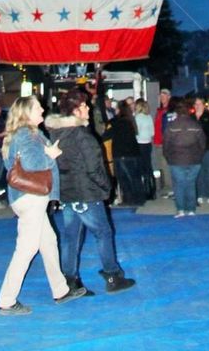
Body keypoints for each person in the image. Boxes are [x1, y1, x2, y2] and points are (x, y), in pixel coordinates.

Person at [46, 87, 135, 294]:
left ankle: (69, 279)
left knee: (70, 236)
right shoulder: (82, 136)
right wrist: (107, 188)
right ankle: (112, 275)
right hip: (87, 192)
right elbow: (95, 168)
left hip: (69, 192)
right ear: (76, 111)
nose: (88, 109)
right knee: (103, 232)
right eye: (85, 106)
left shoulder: (57, 134)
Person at [0, 96, 80, 314]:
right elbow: (32, 165)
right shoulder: (27, 134)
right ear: (26, 113)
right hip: (31, 198)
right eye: (37, 107)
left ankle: (60, 290)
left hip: (27, 198)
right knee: (27, 248)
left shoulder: (22, 133)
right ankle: (6, 300)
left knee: (49, 241)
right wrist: (51, 156)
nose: (43, 109)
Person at [162, 97, 205, 217]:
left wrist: (168, 158)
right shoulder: (195, 124)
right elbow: (202, 143)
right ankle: (191, 209)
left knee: (179, 185)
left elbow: (166, 145)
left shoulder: (171, 125)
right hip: (194, 159)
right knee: (190, 184)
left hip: (176, 160)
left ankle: (180, 209)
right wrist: (199, 156)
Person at [105, 100, 145, 207]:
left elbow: (106, 136)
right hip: (134, 153)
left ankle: (129, 199)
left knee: (124, 179)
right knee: (135, 177)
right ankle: (139, 199)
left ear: (119, 110)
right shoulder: (131, 121)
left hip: (121, 154)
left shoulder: (115, 122)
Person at [152, 89, 172, 198]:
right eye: (161, 95)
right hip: (157, 142)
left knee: (166, 166)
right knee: (159, 166)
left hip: (165, 143)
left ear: (169, 97)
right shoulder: (159, 110)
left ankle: (170, 188)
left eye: (164, 95)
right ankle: (161, 187)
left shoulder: (169, 110)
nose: (162, 97)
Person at [134, 99, 155, 199]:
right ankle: (151, 189)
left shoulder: (137, 118)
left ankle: (144, 190)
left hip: (139, 144)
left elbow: (136, 132)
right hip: (148, 143)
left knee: (141, 167)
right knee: (148, 166)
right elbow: (152, 133)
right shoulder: (149, 117)